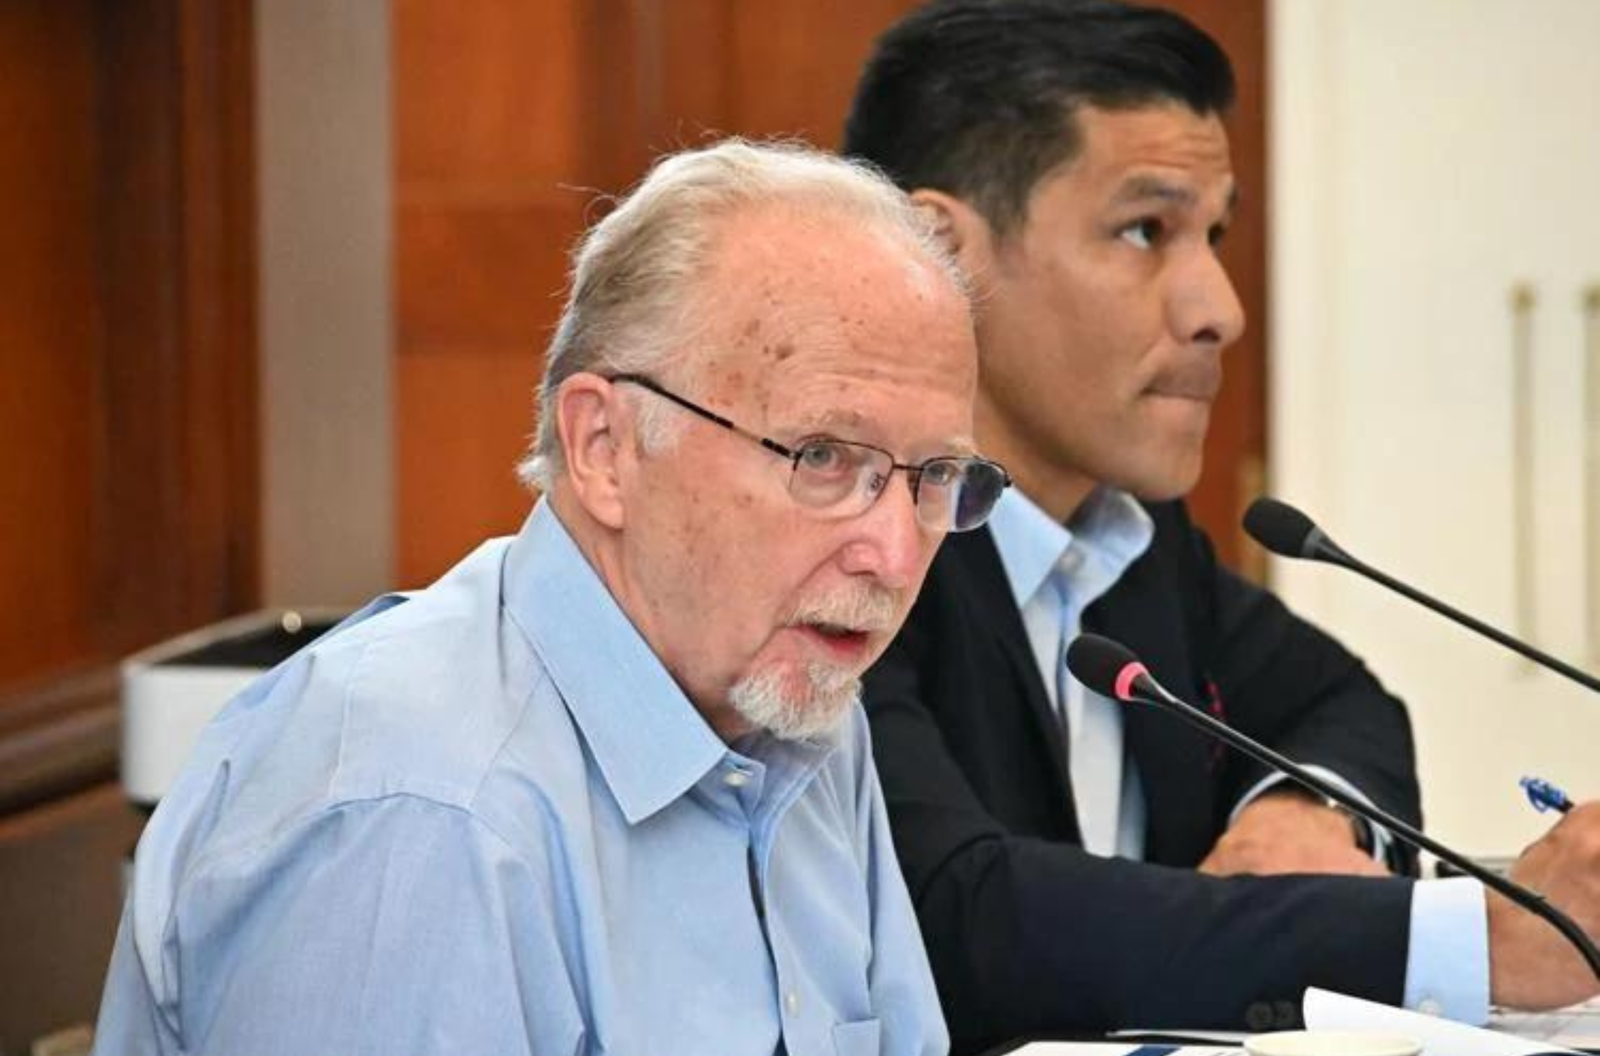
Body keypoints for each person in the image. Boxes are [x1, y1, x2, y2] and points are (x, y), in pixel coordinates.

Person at [91, 139, 1012, 1055]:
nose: (894, 554)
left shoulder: (795, 706)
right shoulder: (419, 812)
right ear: (604, 448)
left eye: (935, 476)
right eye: (821, 457)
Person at [843, 1, 1600, 1051]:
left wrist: (1301, 806)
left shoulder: (1135, 544)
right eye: (1144, 230)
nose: (1219, 308)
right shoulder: (843, 559)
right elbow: (963, 914)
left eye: (1215, 233)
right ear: (940, 256)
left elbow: (1344, 703)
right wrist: (1474, 941)